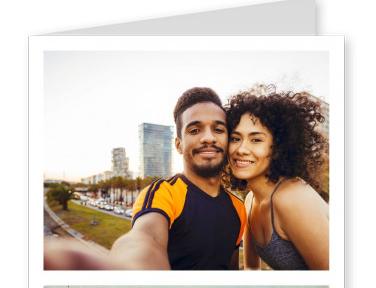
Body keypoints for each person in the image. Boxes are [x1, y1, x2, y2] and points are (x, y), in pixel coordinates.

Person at [44, 87, 246, 270]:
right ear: (178, 145)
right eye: (195, 130)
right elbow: (144, 238)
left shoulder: (238, 207)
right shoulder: (163, 193)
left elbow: (230, 267)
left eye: (218, 129)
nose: (208, 137)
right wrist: (129, 269)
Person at [223, 89, 329, 270]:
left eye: (256, 140)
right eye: (235, 138)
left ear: (278, 148)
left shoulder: (294, 198)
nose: (241, 149)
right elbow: (251, 270)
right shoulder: (250, 200)